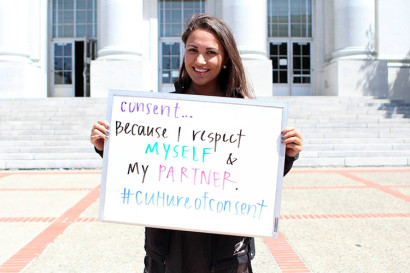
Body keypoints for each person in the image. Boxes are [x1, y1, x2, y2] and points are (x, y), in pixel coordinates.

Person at [91, 13, 303, 273]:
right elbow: (140, 166)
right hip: (168, 251)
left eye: (210, 52)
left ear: (225, 59)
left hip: (226, 252)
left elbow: (257, 180)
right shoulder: (159, 111)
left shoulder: (249, 116)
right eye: (192, 50)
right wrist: (107, 146)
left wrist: (287, 153)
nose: (200, 60)